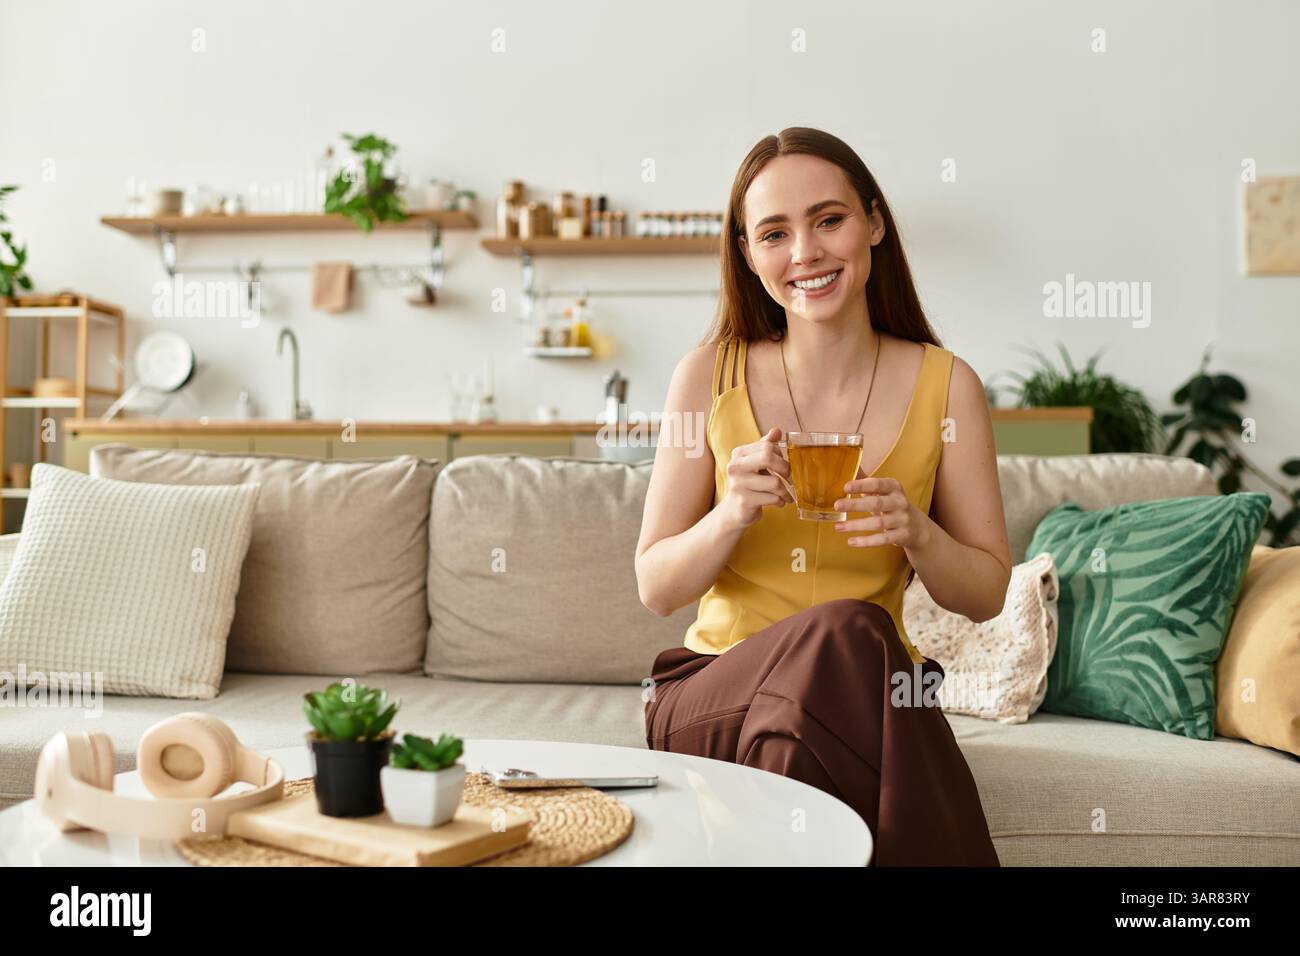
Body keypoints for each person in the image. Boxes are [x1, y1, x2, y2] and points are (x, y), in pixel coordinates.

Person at [635, 127, 1011, 866]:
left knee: (842, 658)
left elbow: (987, 593)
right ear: (749, 255)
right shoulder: (706, 376)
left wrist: (919, 534)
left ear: (873, 222)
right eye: (774, 233)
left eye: (828, 220)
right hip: (714, 692)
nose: (804, 252)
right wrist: (729, 513)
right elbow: (655, 586)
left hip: (867, 699)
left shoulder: (949, 385)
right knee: (846, 630)